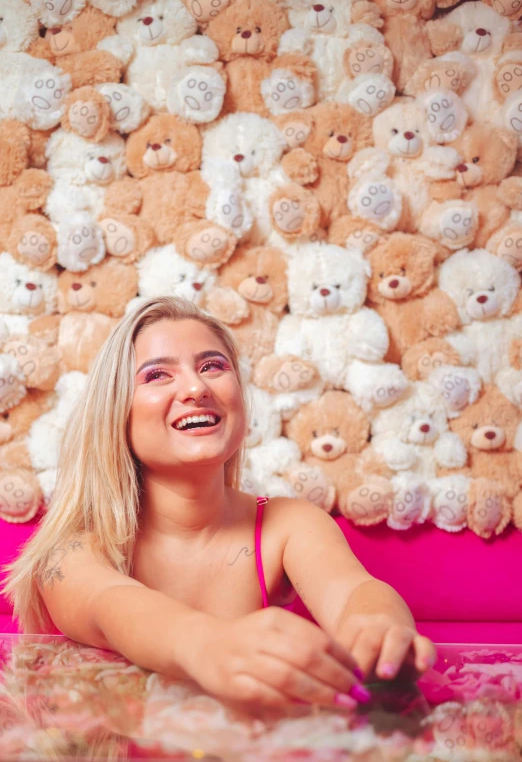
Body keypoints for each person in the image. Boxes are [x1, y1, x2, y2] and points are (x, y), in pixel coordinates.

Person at [2, 296, 436, 712]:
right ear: (116, 413)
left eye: (213, 366)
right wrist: (209, 646)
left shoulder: (290, 523)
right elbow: (112, 604)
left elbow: (354, 591)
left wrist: (379, 628)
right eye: (157, 375)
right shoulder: (71, 551)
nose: (196, 387)